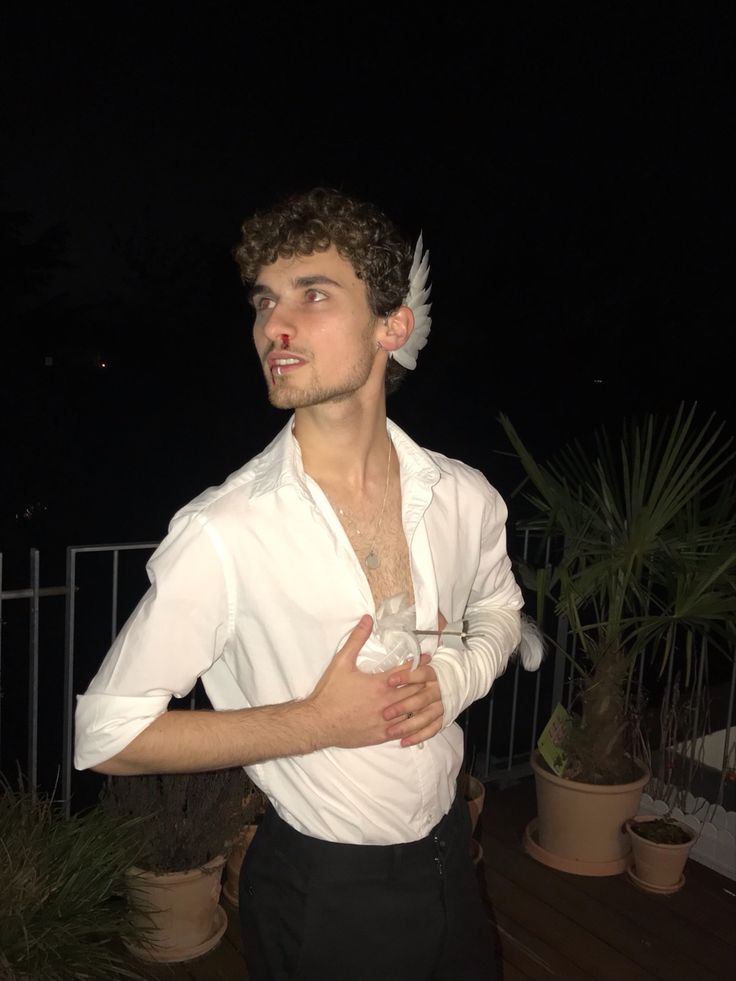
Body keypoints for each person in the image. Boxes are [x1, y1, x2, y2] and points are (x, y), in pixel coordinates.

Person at [75, 188, 535, 981]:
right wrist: (313, 721)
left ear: (392, 325)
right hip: (324, 891)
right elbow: (106, 735)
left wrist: (457, 673)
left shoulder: (464, 496)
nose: (272, 327)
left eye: (312, 294)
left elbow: (499, 608)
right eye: (264, 302)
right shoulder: (225, 531)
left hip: (451, 859)